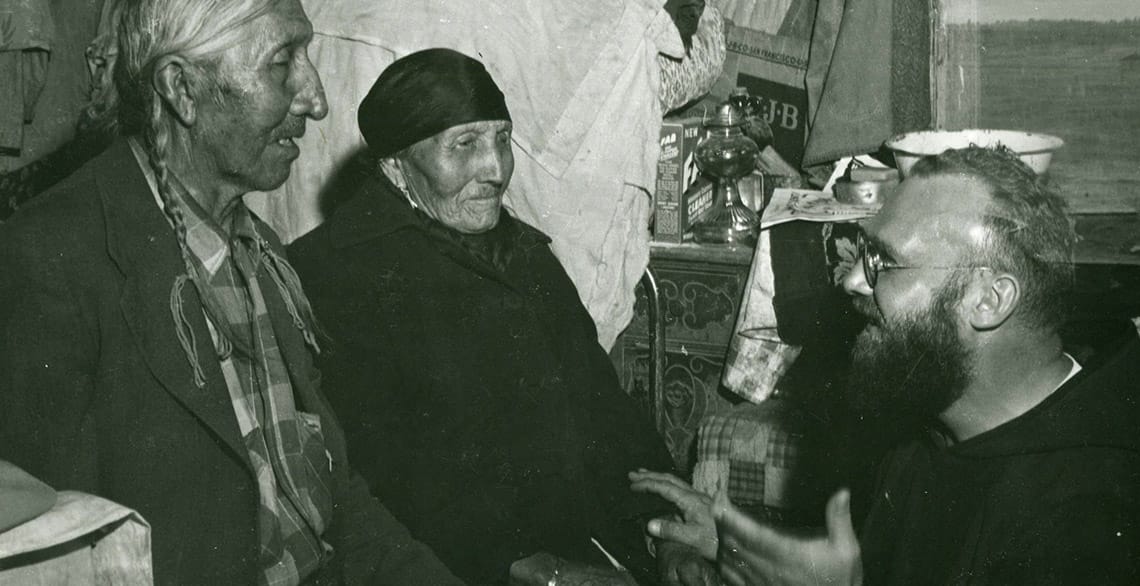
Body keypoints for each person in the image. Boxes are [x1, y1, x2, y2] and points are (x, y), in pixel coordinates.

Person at [0, 1, 463, 584]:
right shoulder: (53, 258)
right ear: (182, 90)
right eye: (281, 63)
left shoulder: (259, 249)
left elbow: (332, 504)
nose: (316, 99)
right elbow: (46, 551)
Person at [287, 48, 714, 586]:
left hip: (587, 551)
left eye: (501, 139)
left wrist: (668, 534)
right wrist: (541, 570)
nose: (494, 169)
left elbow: (605, 412)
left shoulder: (523, 257)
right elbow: (380, 476)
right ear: (396, 166)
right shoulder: (332, 274)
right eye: (464, 144)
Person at [631, 146, 1140, 585]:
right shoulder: (929, 417)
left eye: (883, 262)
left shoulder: (1094, 520)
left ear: (989, 299)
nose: (852, 281)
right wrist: (741, 546)